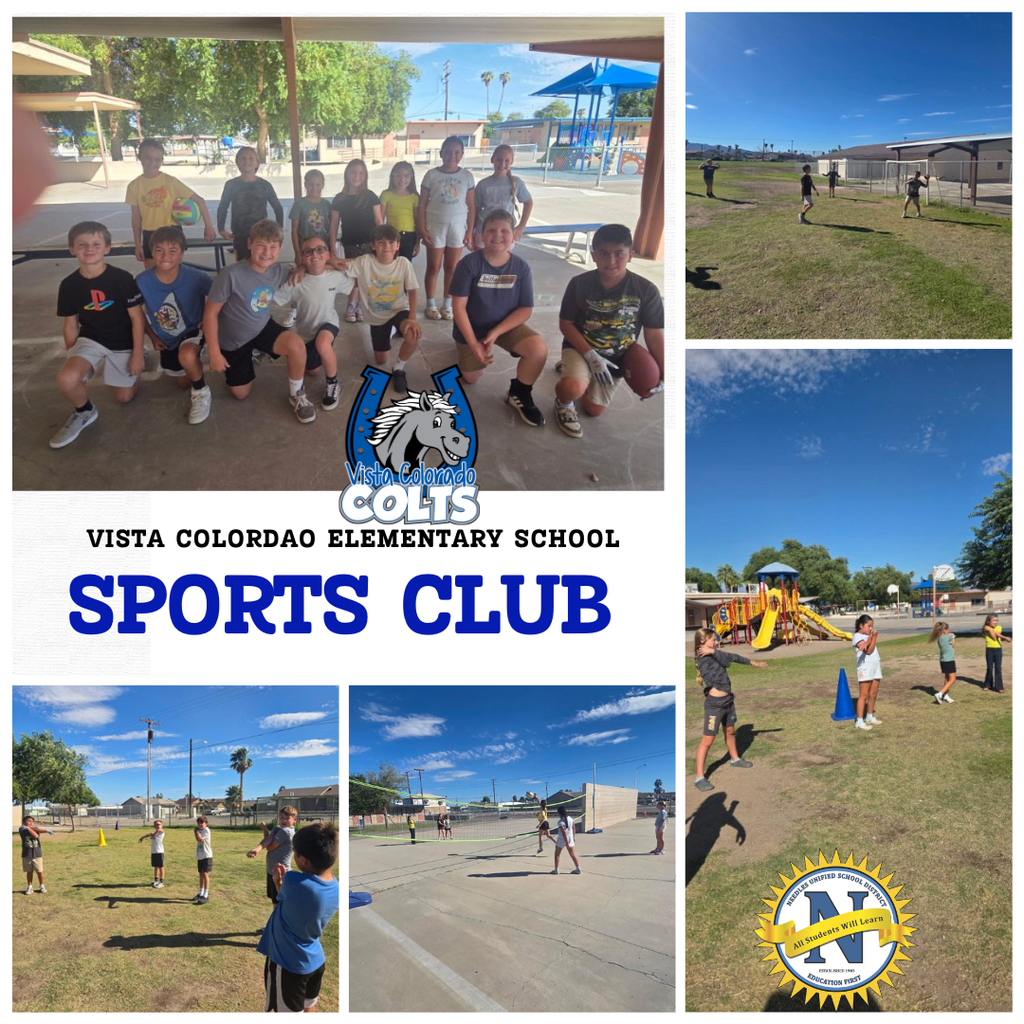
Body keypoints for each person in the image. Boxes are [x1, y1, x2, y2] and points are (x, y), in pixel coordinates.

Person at [554, 223, 664, 439]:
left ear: (630, 255)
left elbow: (654, 334)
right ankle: (564, 402)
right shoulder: (579, 283)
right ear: (594, 255)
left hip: (618, 356)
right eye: (603, 254)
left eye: (619, 254)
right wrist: (589, 355)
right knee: (573, 387)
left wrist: (664, 371)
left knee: (593, 410)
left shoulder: (647, 290)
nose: (611, 261)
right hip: (581, 346)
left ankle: (576, 372)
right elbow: (565, 324)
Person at [202, 219, 317, 424]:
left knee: (296, 345)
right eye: (261, 245)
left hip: (261, 326)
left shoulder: (277, 270)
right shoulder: (230, 275)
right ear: (249, 244)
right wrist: (214, 353)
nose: (267, 252)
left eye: (273, 247)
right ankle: (250, 353)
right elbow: (210, 314)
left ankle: (297, 393)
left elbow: (310, 267)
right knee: (240, 393)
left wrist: (301, 269)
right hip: (233, 340)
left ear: (280, 249)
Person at [50, 221, 147, 449]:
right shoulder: (69, 285)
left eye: (96, 243)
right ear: (72, 249)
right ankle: (84, 411)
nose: (89, 249)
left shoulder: (121, 279)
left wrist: (137, 355)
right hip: (91, 339)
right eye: (82, 244)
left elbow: (137, 318)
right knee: (67, 379)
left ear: (107, 248)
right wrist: (74, 359)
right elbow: (71, 324)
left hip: (124, 342)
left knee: (123, 397)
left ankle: (137, 368)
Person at [450, 209, 547, 427]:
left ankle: (520, 393)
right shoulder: (469, 264)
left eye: (505, 230)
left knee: (538, 349)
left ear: (513, 235)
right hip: (472, 327)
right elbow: (458, 307)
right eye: (491, 230)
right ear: (482, 235)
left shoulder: (521, 267)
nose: (498, 235)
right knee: (472, 378)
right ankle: (462, 345)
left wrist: (495, 333)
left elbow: (525, 309)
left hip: (505, 326)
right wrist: (474, 343)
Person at [256, 822, 340, 1013]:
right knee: (309, 1007)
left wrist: (278, 881)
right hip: (315, 961)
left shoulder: (294, 881)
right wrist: (281, 884)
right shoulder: (336, 887)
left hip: (288, 965)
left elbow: (283, 894)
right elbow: (288, 903)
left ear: (303, 860)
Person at [135, 225, 213, 425]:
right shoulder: (142, 281)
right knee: (183, 383)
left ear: (182, 253)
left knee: (186, 356)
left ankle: (202, 391)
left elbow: (218, 294)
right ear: (152, 252)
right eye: (159, 250)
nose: (165, 256)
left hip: (193, 330)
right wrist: (152, 335)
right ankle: (192, 366)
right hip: (167, 337)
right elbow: (136, 313)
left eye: (173, 250)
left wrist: (208, 317)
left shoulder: (196, 277)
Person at [270, 233, 353, 410]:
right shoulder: (295, 280)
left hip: (328, 323)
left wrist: (331, 262)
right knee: (313, 371)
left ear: (328, 253)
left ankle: (333, 384)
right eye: (308, 251)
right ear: (301, 257)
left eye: (320, 250)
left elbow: (358, 272)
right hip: (305, 332)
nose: (315, 255)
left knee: (323, 343)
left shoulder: (336, 276)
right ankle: (324, 355)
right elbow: (273, 300)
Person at [343, 223, 423, 395]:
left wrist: (412, 318)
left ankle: (399, 368)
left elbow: (413, 291)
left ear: (397, 245)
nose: (386, 246)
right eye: (381, 242)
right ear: (373, 245)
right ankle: (393, 329)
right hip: (376, 318)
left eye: (391, 242)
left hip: (399, 310)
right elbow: (340, 265)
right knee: (380, 360)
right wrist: (315, 263)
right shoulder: (364, 262)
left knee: (412, 334)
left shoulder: (403, 263)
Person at [693, 629, 767, 790]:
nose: (716, 643)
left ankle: (735, 759)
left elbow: (732, 657)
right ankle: (699, 777)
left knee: (730, 731)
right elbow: (726, 662)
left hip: (728, 701)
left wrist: (753, 663)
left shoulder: (712, 652)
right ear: (702, 642)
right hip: (715, 705)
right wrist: (712, 651)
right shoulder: (703, 657)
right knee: (707, 741)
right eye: (713, 640)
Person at [126, 138, 215, 269]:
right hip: (150, 233)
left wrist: (208, 226)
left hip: (172, 231)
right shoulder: (134, 186)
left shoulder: (170, 182)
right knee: (151, 273)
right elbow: (136, 217)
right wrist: (138, 244)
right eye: (148, 158)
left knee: (174, 272)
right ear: (139, 157)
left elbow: (200, 200)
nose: (152, 163)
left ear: (162, 160)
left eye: (157, 159)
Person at [417, 136, 476, 321]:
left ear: (462, 154)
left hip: (457, 228)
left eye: (457, 152)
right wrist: (422, 228)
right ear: (441, 153)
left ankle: (447, 304)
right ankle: (430, 303)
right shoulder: (431, 175)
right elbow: (422, 205)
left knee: (451, 268)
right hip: (435, 226)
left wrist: (469, 232)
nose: (452, 155)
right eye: (448, 151)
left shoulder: (466, 176)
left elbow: (472, 206)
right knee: (433, 266)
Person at [329, 159, 383, 323]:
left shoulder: (370, 196)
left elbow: (379, 222)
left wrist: (380, 245)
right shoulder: (339, 199)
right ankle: (351, 304)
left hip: (369, 243)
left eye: (360, 173)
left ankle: (360, 305)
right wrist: (332, 249)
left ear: (365, 175)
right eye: (353, 172)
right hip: (350, 243)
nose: (357, 176)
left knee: (366, 276)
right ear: (346, 174)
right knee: (354, 275)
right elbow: (333, 225)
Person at [217, 146, 285, 262]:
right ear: (237, 162)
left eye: (250, 158)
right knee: (243, 264)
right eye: (243, 158)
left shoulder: (264, 185)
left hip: (261, 234)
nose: (246, 161)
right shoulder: (231, 185)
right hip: (240, 234)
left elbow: (278, 208)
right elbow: (223, 207)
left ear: (257, 163)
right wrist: (221, 229)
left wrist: (279, 230)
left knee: (261, 262)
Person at [470, 144, 533, 251]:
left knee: (502, 264)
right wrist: (471, 231)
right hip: (483, 231)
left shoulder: (516, 182)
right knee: (481, 264)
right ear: (492, 160)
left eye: (506, 160)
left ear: (511, 162)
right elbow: (475, 210)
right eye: (499, 160)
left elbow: (528, 202)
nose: (502, 164)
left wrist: (521, 226)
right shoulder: (483, 184)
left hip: (506, 232)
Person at [247, 806, 298, 931]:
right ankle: (277, 925)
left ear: (294, 820)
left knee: (279, 903)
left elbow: (269, 847)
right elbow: (268, 839)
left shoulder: (286, 832)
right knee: (275, 901)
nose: (284, 820)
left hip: (280, 874)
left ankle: (279, 928)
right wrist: (257, 848)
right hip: (272, 872)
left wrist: (258, 849)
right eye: (281, 817)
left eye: (287, 818)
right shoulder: (279, 829)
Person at [380, 161, 421, 262]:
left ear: (411, 178)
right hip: (391, 237)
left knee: (405, 265)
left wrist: (417, 243)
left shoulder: (414, 197)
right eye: (398, 176)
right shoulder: (386, 195)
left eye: (406, 176)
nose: (402, 179)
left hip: (409, 237)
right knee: (390, 264)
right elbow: (380, 219)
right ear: (392, 177)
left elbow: (418, 221)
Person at [289, 168, 333, 261]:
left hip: (323, 249)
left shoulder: (327, 205)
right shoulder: (299, 204)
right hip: (305, 250)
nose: (314, 188)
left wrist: (332, 250)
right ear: (305, 185)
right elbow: (294, 230)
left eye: (318, 185)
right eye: (311, 184)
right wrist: (297, 253)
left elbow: (331, 229)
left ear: (323, 185)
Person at [852, 614, 883, 730]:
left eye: (872, 626)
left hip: (875, 665)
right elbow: (868, 651)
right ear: (861, 625)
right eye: (868, 626)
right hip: (865, 667)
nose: (870, 629)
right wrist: (872, 638)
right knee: (863, 695)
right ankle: (859, 721)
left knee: (873, 693)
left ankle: (869, 716)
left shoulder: (868, 636)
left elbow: (872, 648)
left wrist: (872, 638)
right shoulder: (857, 636)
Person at [19, 816, 55, 895]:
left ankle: (42, 886)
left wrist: (46, 830)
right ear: (24, 823)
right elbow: (35, 835)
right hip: (26, 854)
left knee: (39, 871)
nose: (31, 823)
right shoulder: (22, 829)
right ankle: (30, 887)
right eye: (29, 821)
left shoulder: (35, 828)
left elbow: (36, 831)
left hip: (37, 854)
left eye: (32, 821)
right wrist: (28, 828)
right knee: (29, 872)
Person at [542, 805, 582, 875]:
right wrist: (573, 837)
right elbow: (574, 828)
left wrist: (566, 843)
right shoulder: (570, 819)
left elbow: (564, 833)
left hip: (562, 839)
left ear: (559, 813)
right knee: (572, 854)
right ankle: (578, 868)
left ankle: (556, 869)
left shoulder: (560, 822)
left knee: (557, 854)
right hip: (570, 838)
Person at [929, 621, 957, 704]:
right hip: (948, 661)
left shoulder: (941, 638)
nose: (949, 630)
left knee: (947, 678)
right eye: (947, 629)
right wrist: (953, 636)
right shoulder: (946, 637)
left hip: (944, 660)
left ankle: (945, 695)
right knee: (953, 679)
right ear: (944, 630)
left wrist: (952, 637)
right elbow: (953, 642)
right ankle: (940, 694)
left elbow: (953, 645)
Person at [982, 613, 1011, 692]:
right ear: (988, 621)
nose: (996, 622)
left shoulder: (999, 627)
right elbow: (994, 638)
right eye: (993, 620)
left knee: (998, 668)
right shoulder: (985, 628)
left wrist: (991, 630)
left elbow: (997, 634)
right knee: (990, 668)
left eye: (997, 620)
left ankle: (999, 687)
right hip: (989, 650)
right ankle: (988, 685)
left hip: (998, 650)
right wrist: (1005, 638)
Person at [138, 819, 166, 887]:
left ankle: (161, 881)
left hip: (159, 851)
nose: (157, 826)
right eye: (155, 825)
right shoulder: (155, 831)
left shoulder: (161, 831)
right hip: (154, 851)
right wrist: (142, 837)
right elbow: (150, 834)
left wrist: (156, 832)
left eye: (158, 824)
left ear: (162, 825)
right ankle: (156, 880)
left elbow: (153, 836)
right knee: (155, 867)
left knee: (160, 867)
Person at [193, 815, 212, 904]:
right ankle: (201, 893)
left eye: (202, 823)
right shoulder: (199, 830)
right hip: (200, 855)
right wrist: (196, 832)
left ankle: (206, 894)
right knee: (200, 874)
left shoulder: (206, 830)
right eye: (199, 822)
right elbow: (197, 838)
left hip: (206, 855)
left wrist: (196, 832)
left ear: (206, 824)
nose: (200, 824)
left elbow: (200, 839)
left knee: (205, 874)